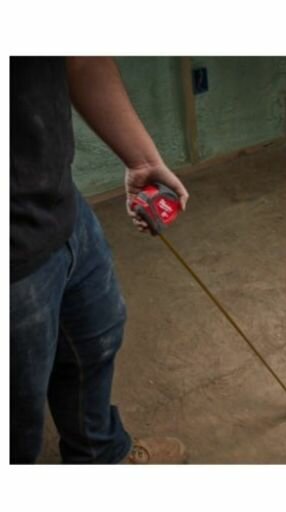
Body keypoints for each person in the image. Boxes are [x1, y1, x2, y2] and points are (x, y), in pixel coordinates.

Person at [10, 56, 190, 464]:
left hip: (62, 206)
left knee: (94, 340)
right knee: (17, 417)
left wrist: (142, 160)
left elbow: (79, 56)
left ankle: (99, 456)